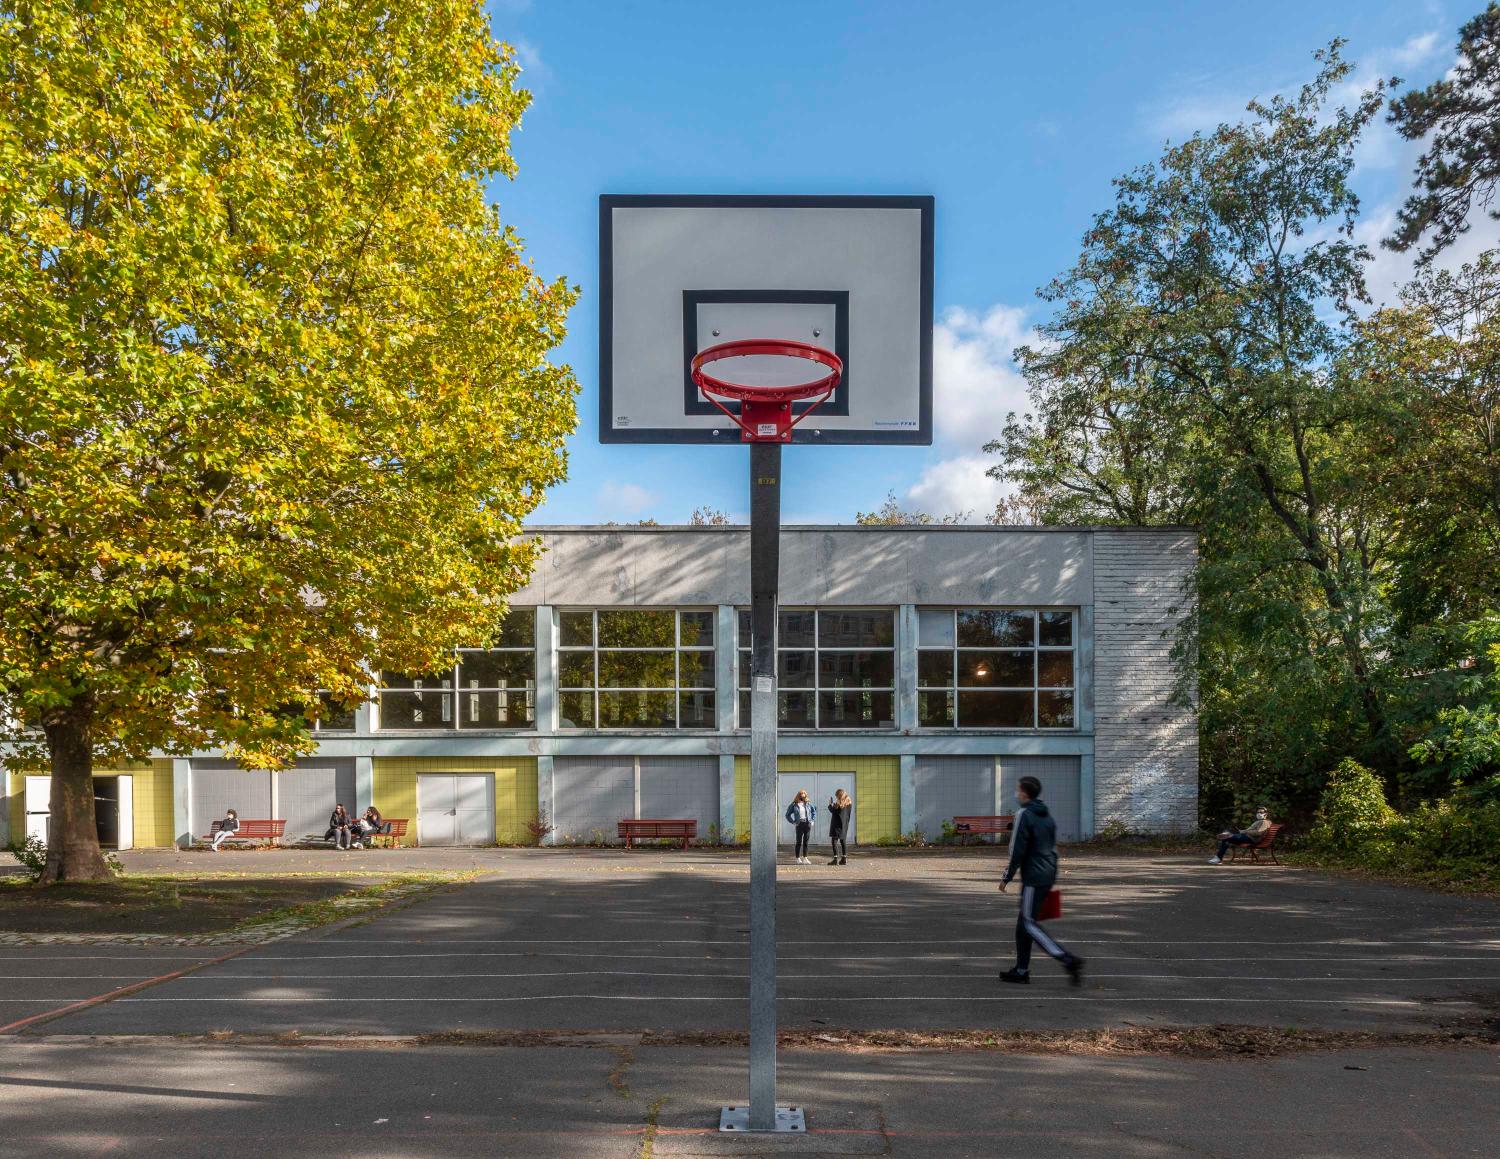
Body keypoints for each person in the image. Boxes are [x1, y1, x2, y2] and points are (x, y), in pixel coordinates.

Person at [998, 775, 1084, 986]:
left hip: (1034, 877)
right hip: (1047, 873)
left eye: (1018, 790)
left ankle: (1067, 959)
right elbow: (1051, 848)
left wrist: (1006, 877)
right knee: (1022, 926)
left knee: (1029, 924)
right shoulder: (1046, 815)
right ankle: (1021, 970)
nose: (1016, 793)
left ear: (1025, 793)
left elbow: (1016, 850)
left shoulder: (1024, 814)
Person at [785, 789, 815, 865]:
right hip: (799, 824)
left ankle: (805, 858)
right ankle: (798, 858)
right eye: (801, 794)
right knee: (799, 842)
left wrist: (812, 820)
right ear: (798, 795)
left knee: (806, 842)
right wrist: (793, 822)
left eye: (804, 794)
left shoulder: (808, 804)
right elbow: (787, 815)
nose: (803, 795)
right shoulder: (794, 805)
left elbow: (813, 812)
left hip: (807, 824)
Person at [826, 788, 852, 865]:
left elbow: (834, 811)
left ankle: (835, 859)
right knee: (843, 841)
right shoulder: (849, 803)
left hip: (836, 825)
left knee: (834, 841)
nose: (836, 797)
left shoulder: (839, 804)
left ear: (839, 795)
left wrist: (830, 805)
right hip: (844, 824)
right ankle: (844, 859)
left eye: (837, 796)